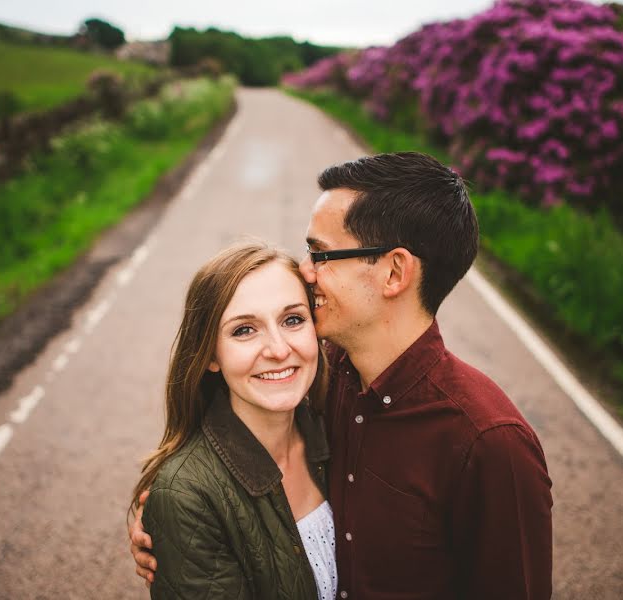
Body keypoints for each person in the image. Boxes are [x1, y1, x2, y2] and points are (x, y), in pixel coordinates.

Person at [131, 152, 553, 599]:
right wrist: (173, 520)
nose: (306, 270)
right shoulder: (321, 377)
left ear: (394, 272)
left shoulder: (488, 442)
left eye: (322, 254)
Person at [129, 242, 337, 600]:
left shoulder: (341, 424)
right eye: (244, 330)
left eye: (293, 320)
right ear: (211, 355)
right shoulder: (186, 498)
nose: (278, 349)